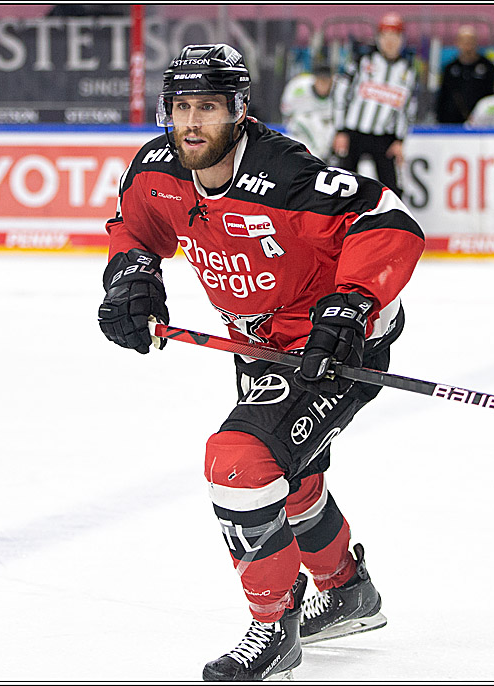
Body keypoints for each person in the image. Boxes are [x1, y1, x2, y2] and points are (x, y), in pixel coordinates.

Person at [97, 43, 425, 681]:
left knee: (241, 463)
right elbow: (134, 225)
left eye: (209, 108)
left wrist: (350, 306)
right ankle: (347, 589)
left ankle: (274, 628)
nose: (193, 123)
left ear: (240, 110)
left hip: (333, 349)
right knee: (290, 477)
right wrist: (130, 275)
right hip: (260, 344)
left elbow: (389, 219)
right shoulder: (158, 167)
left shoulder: (285, 174)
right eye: (182, 107)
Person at [332, 12, 419, 197]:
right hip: (354, 133)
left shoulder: (408, 71)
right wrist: (340, 130)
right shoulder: (362, 61)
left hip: (384, 137)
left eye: (395, 37)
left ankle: (391, 225)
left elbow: (407, 109)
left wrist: (399, 140)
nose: (390, 42)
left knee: (392, 190)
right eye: (385, 36)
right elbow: (341, 93)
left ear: (401, 40)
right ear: (378, 38)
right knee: (343, 185)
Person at [435, 24, 494, 123]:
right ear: (457, 43)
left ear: (476, 42)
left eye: (470, 41)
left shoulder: (488, 67)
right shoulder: (450, 68)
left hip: (482, 122)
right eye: (463, 41)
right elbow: (443, 96)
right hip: (453, 123)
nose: (467, 45)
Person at [280, 56, 337, 162]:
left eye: (326, 81)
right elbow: (287, 111)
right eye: (320, 80)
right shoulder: (299, 87)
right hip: (300, 132)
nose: (323, 84)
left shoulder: (339, 93)